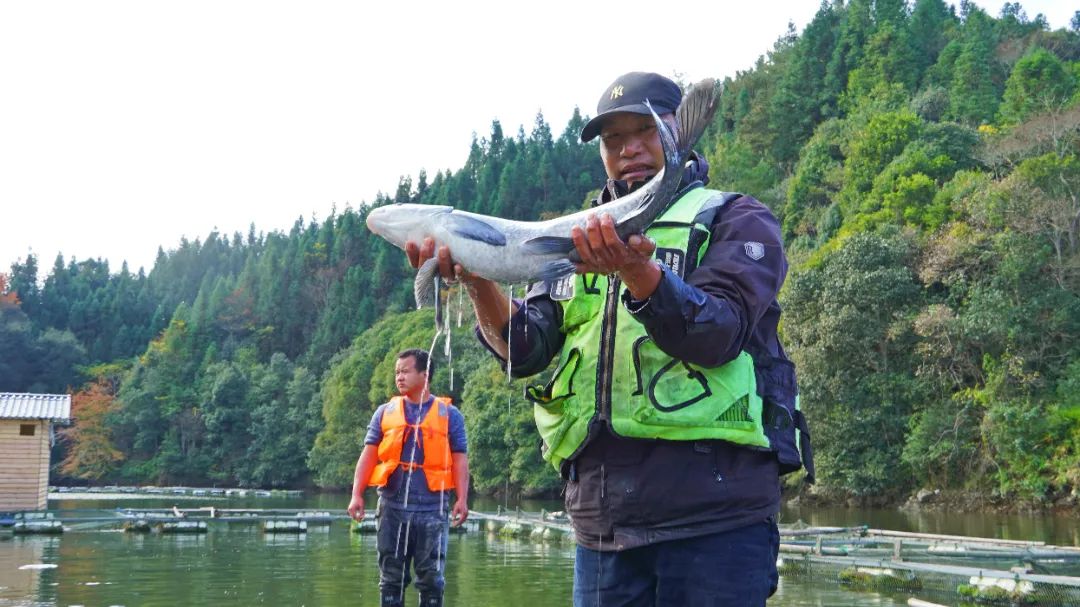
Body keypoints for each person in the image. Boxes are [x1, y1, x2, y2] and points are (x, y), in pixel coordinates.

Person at [406, 72, 813, 606]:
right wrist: (479, 275)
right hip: (602, 524)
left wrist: (636, 271)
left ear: (679, 131)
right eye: (613, 140)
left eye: (646, 130)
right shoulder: (571, 240)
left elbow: (721, 333)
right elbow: (524, 350)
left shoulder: (736, 218)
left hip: (717, 516)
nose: (630, 150)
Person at [347, 348, 469, 607]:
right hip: (392, 508)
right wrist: (356, 494)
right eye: (396, 372)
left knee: (432, 579)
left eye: (405, 371)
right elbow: (368, 455)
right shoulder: (384, 412)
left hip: (432, 509)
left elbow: (460, 459)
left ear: (425, 375)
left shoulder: (451, 416)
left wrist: (462, 499)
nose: (399, 377)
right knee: (391, 579)